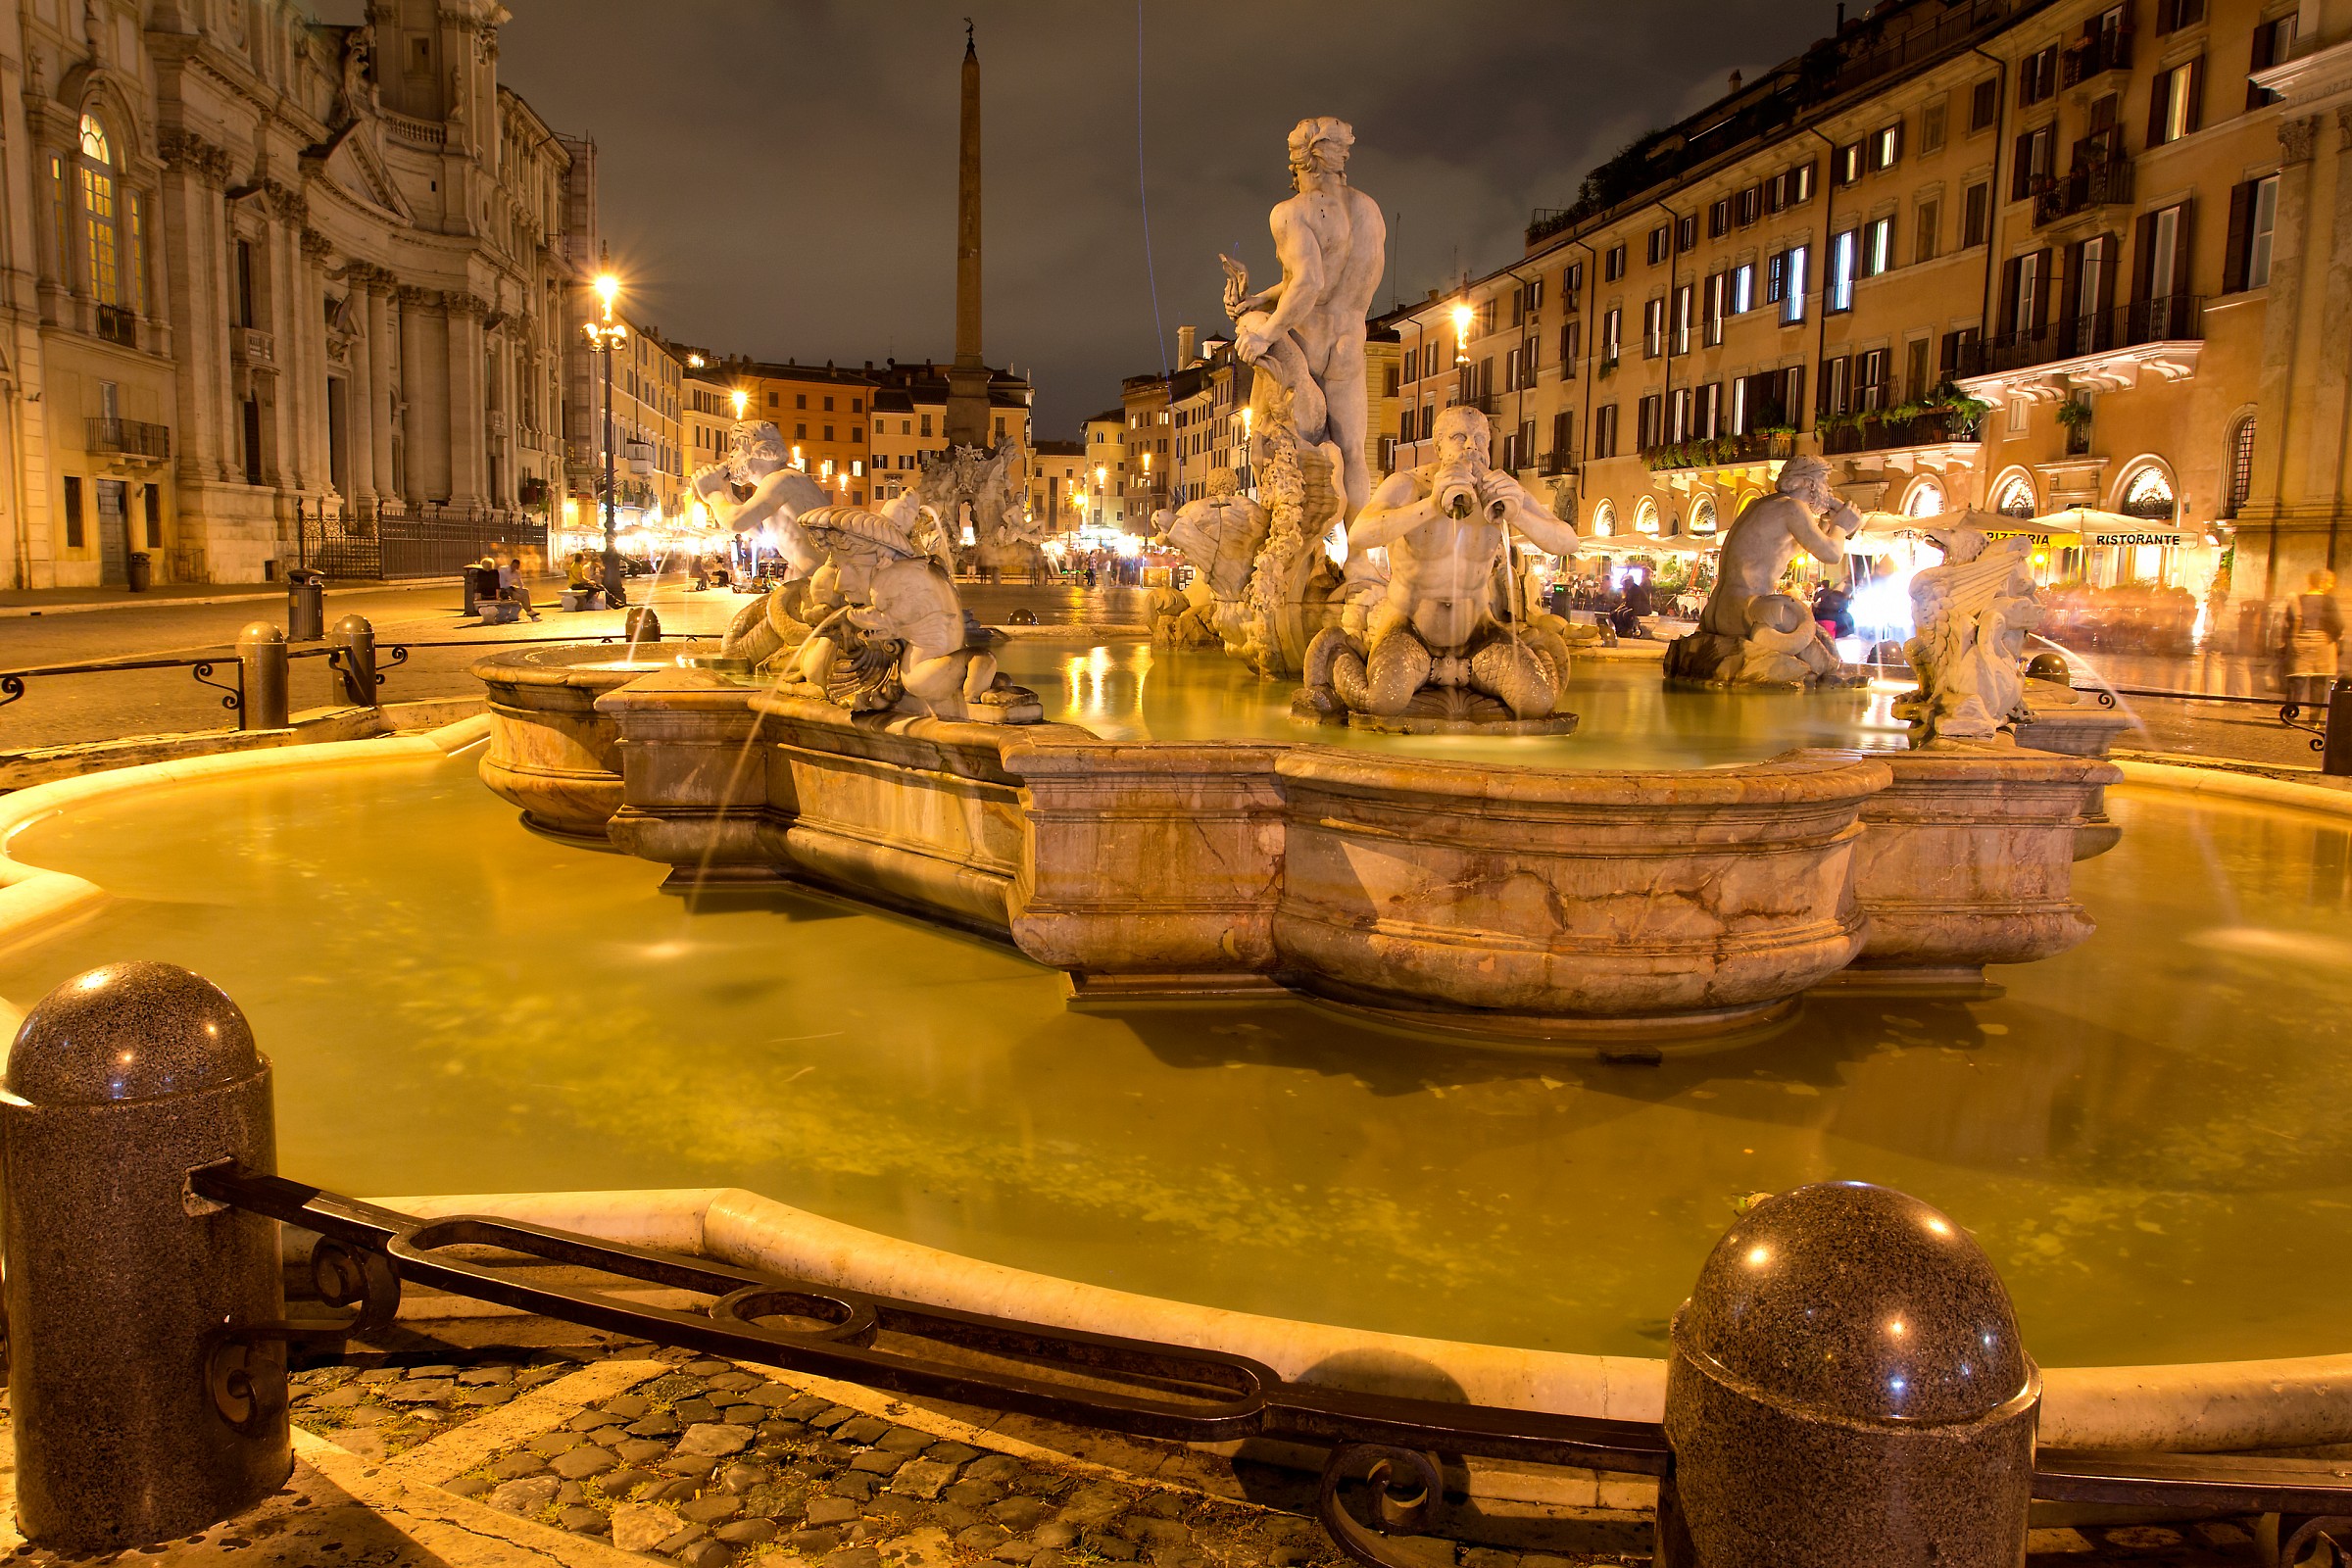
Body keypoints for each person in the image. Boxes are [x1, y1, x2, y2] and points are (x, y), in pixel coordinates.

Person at [2283, 568, 2344, 690]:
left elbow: (2288, 620)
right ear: (2322, 582)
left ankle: (2292, 707)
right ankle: (2315, 709)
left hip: (2300, 643)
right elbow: (2338, 624)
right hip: (2323, 644)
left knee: (2297, 681)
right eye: (2330, 582)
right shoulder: (2329, 601)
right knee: (2318, 682)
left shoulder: (2298, 599)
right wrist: (2334, 639)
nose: (2332, 586)